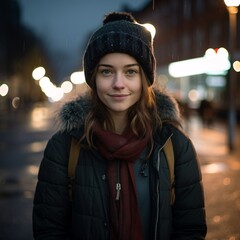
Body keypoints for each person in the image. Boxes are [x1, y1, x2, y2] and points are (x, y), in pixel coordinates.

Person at [32, 12, 207, 240]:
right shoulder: (64, 147)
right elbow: (49, 230)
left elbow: (190, 230)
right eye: (106, 71)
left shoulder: (174, 146)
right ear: (93, 79)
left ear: (144, 79)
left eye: (130, 72)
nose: (118, 84)